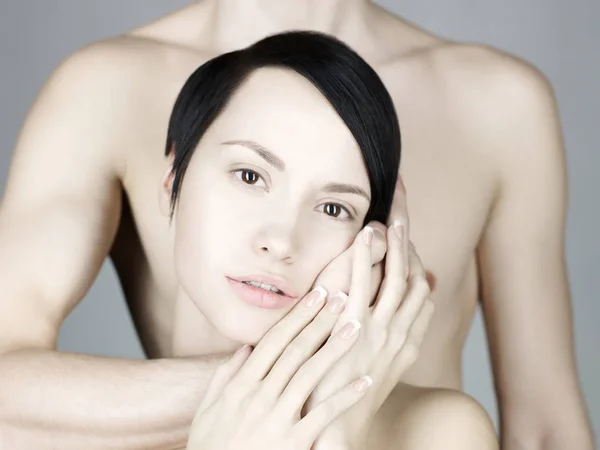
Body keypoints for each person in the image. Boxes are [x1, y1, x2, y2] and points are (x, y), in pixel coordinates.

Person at [0, 0, 593, 449]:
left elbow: (546, 428)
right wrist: (301, 385)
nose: (281, 240)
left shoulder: (498, 104)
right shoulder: (108, 85)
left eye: (335, 207)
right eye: (249, 176)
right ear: (172, 180)